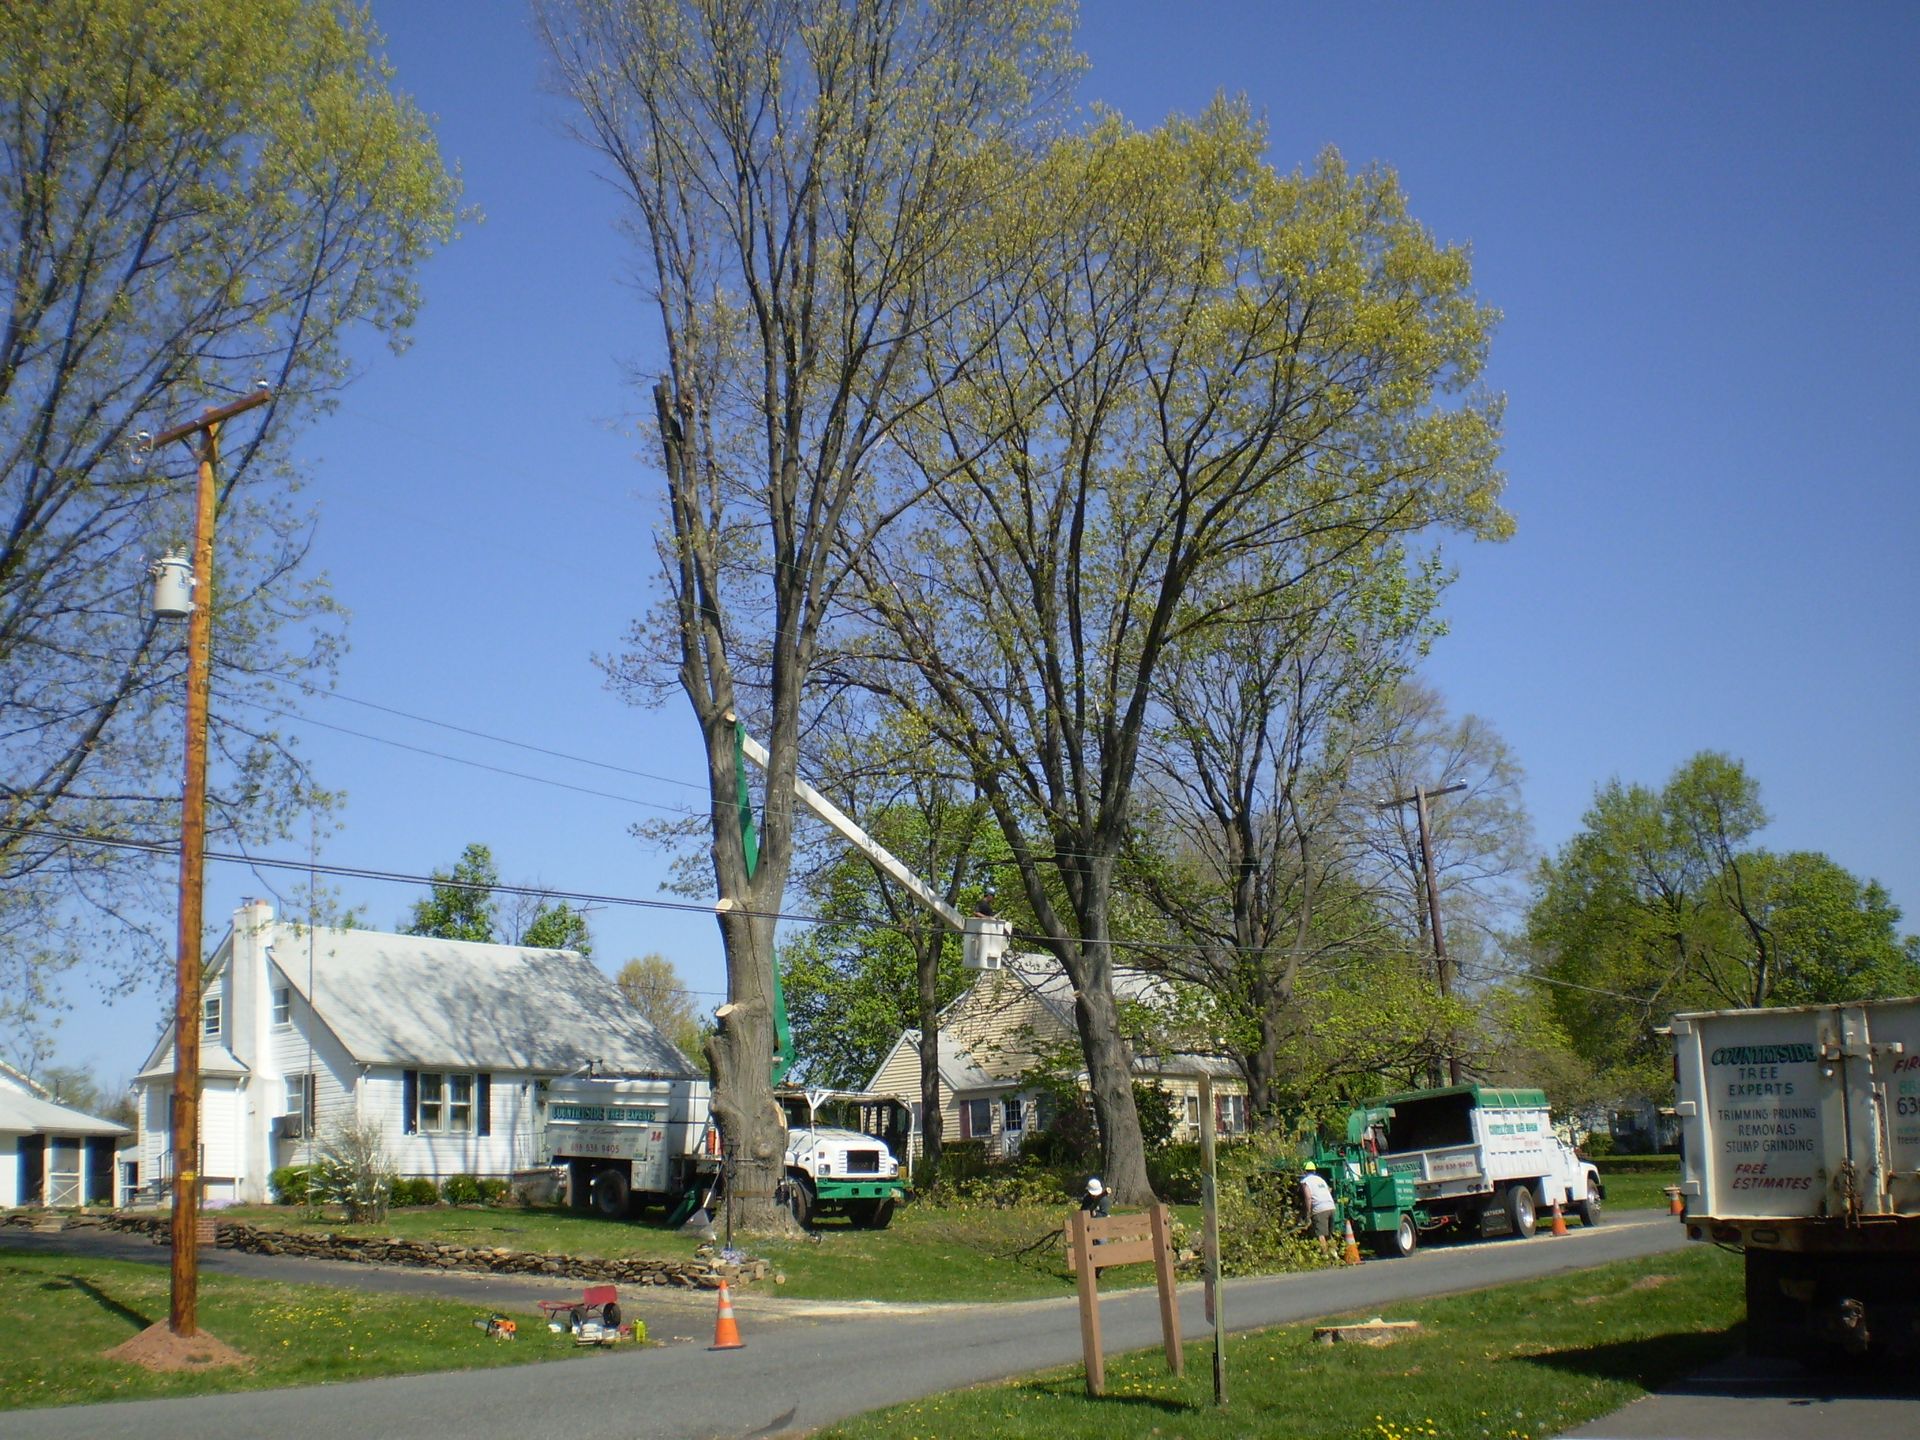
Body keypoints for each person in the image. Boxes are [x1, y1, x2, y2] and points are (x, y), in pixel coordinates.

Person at [1299, 1161, 1337, 1251]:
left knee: (1321, 1234)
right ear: (1314, 1171)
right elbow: (1329, 1190)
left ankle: (1325, 1255)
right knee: (1329, 1234)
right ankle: (1334, 1254)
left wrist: (1308, 1213)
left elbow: (1308, 1197)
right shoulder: (1321, 1180)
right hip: (1331, 1206)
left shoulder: (1305, 1181)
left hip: (1320, 1209)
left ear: (1304, 1171)